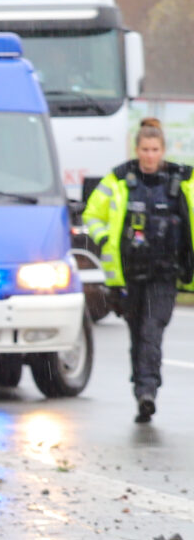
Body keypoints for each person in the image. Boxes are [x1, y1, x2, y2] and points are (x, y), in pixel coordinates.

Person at [83, 118, 194, 422]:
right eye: (144, 149)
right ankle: (141, 391)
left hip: (165, 274)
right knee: (137, 335)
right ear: (136, 149)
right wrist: (104, 238)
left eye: (155, 149)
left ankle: (148, 391)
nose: (149, 155)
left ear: (163, 150)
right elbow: (92, 214)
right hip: (128, 274)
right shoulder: (118, 179)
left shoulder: (182, 179)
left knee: (151, 331)